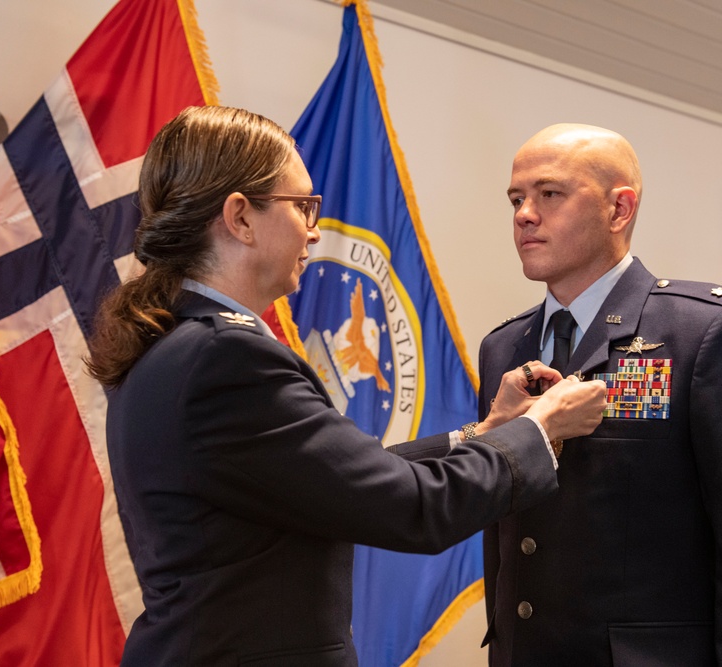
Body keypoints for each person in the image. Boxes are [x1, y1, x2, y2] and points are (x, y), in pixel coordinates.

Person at [86, 106, 608, 667]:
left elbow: (334, 478)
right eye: (303, 205)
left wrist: (482, 433)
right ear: (239, 217)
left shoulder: (176, 344)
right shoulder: (227, 357)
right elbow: (409, 506)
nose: (314, 228)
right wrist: (538, 429)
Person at [477, 123, 722, 665]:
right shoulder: (503, 347)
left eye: (550, 194)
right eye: (517, 198)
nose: (523, 214)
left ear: (619, 210)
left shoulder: (705, 333)